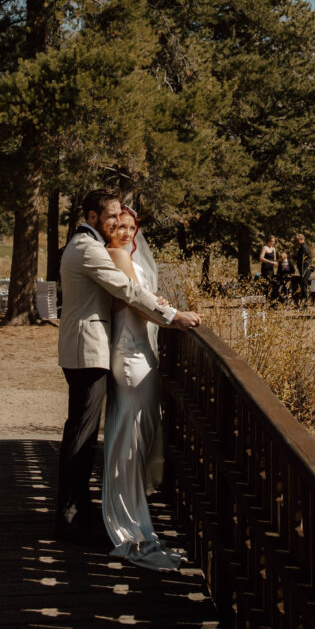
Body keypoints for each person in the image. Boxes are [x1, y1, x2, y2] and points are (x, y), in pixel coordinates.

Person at [56, 188, 201, 545]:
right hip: (87, 349)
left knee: (85, 432)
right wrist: (172, 316)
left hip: (91, 348)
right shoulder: (88, 248)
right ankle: (70, 514)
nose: (116, 226)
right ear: (92, 218)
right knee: (81, 433)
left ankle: (81, 506)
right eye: (109, 218)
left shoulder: (86, 244)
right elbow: (126, 291)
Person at [102, 207, 180, 569]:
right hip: (130, 353)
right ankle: (129, 522)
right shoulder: (115, 254)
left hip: (141, 349)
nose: (127, 233)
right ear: (109, 228)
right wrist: (173, 315)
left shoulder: (128, 254)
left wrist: (158, 300)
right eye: (120, 226)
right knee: (129, 439)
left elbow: (140, 293)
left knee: (136, 434)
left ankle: (134, 509)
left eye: (132, 227)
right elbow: (133, 297)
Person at [294, 232, 312, 304]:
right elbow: (300, 258)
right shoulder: (302, 246)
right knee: (303, 284)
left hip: (305, 269)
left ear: (301, 239)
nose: (296, 242)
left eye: (297, 240)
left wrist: (305, 267)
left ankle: (306, 302)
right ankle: (304, 301)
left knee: (304, 284)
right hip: (303, 268)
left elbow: (309, 258)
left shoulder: (304, 247)